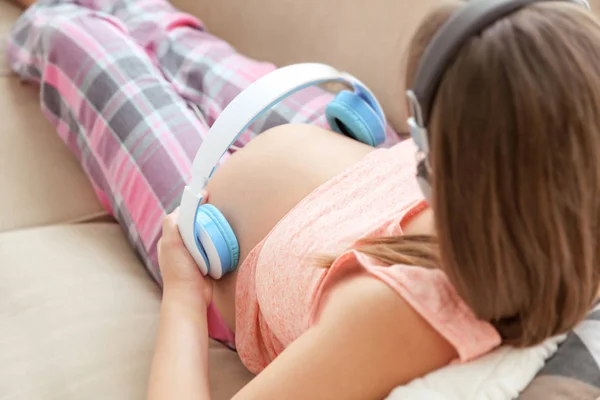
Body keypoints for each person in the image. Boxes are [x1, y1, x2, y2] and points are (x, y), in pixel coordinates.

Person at [7, 0, 600, 398]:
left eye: (425, 125)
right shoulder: (553, 215)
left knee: (74, 38)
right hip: (346, 156)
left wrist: (184, 295)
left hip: (209, 228)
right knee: (161, 30)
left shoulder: (396, 317)